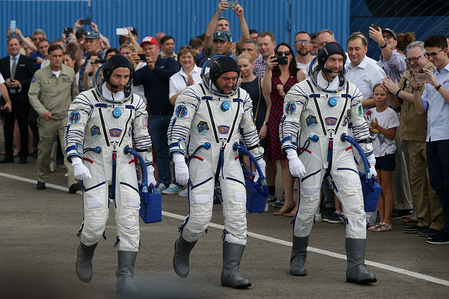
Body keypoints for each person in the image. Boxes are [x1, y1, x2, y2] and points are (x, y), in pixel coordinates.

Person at [281, 42, 377, 283]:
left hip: (342, 154)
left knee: (355, 206)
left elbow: (360, 126)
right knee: (308, 206)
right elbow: (289, 124)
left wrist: (370, 160)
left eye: (340, 61)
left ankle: (356, 266)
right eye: (332, 60)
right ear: (322, 61)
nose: (337, 65)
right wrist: (291, 154)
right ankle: (298, 256)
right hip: (310, 153)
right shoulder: (300, 90)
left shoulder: (352, 91)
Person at [169, 56, 265, 289]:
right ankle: (182, 247)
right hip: (201, 159)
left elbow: (249, 131)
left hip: (231, 161)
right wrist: (179, 160)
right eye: (226, 79)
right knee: (201, 218)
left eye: (235, 78)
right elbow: (178, 129)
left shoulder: (242, 97)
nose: (231, 83)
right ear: (213, 75)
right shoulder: (192, 95)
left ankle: (231, 272)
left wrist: (258, 159)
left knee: (237, 215)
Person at [65, 55, 155, 295]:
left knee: (129, 222)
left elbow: (143, 137)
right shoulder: (86, 99)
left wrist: (150, 169)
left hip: (125, 165)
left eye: (127, 77)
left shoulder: (136, 102)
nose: (123, 81)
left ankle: (125, 276)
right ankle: (85, 252)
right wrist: (76, 161)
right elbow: (73, 131)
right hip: (93, 162)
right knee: (95, 222)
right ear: (106, 74)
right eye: (118, 76)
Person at [382, 41, 444, 236]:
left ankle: (437, 222)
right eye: (409, 59)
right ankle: (423, 220)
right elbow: (397, 103)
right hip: (410, 135)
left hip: (427, 133)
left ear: (426, 56)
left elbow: (422, 101)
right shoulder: (408, 74)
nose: (412, 62)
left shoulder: (432, 73)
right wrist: (390, 92)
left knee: (432, 183)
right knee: (416, 182)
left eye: (416, 58)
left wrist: (398, 91)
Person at [412, 34, 449, 245]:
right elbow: (420, 110)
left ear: (445, 50)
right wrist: (417, 90)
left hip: (447, 136)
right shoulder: (432, 74)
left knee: (448, 184)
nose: (431, 58)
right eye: (428, 54)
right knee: (437, 184)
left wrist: (436, 85)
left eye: (434, 54)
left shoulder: (441, 76)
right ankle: (445, 227)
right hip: (432, 136)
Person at [28, 44, 79, 192]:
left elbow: (75, 94)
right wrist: (42, 111)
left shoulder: (69, 72)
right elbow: (32, 95)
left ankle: (72, 181)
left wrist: (74, 113)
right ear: (48, 57)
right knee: (44, 151)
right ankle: (42, 178)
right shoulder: (40, 74)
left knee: (68, 150)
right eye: (54, 56)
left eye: (60, 55)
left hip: (65, 118)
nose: (57, 59)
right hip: (47, 119)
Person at [263, 42, 305, 215]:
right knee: (283, 161)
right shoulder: (271, 73)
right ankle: (288, 201)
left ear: (292, 55)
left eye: (286, 53)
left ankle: (299, 202)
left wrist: (286, 94)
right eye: (279, 53)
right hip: (275, 118)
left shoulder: (299, 74)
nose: (283, 56)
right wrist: (267, 69)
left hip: (294, 119)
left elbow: (304, 99)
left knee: (297, 159)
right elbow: (266, 91)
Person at [133, 36, 180, 192]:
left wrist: (155, 69)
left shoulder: (168, 62)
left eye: (150, 48)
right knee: (160, 151)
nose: (148, 51)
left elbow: (173, 76)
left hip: (170, 113)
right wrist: (133, 65)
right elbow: (133, 81)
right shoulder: (144, 69)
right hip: (153, 115)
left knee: (176, 149)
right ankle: (165, 181)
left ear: (158, 49)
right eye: (145, 49)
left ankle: (179, 182)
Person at [166, 46, 202, 195]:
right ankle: (185, 184)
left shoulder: (202, 73)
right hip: (183, 119)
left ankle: (198, 184)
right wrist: (187, 90)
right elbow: (172, 100)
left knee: (198, 150)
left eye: (189, 57)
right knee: (182, 150)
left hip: (201, 118)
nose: (186, 60)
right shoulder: (174, 78)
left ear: (193, 58)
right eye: (183, 58)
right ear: (179, 59)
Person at [366, 84, 399, 232]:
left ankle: (387, 221)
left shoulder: (390, 113)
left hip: (387, 153)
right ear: (372, 96)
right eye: (376, 94)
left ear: (387, 97)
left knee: (386, 187)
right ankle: (381, 219)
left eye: (382, 94)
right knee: (377, 187)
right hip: (374, 154)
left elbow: (391, 135)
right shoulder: (369, 112)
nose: (379, 97)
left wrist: (378, 127)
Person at [0, 37, 35, 164]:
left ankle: (23, 154)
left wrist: (20, 83)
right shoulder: (2, 62)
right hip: (7, 99)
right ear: (7, 47)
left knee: (23, 127)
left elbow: (33, 78)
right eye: (11, 45)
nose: (13, 47)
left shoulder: (28, 60)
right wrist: (7, 81)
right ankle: (8, 154)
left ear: (20, 46)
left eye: (15, 44)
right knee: (7, 128)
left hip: (22, 99)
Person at [238, 53, 268, 148]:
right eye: (240, 66)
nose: (242, 69)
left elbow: (269, 104)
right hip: (241, 126)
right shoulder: (235, 84)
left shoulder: (260, 82)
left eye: (245, 66)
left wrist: (265, 124)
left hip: (258, 123)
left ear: (253, 65)